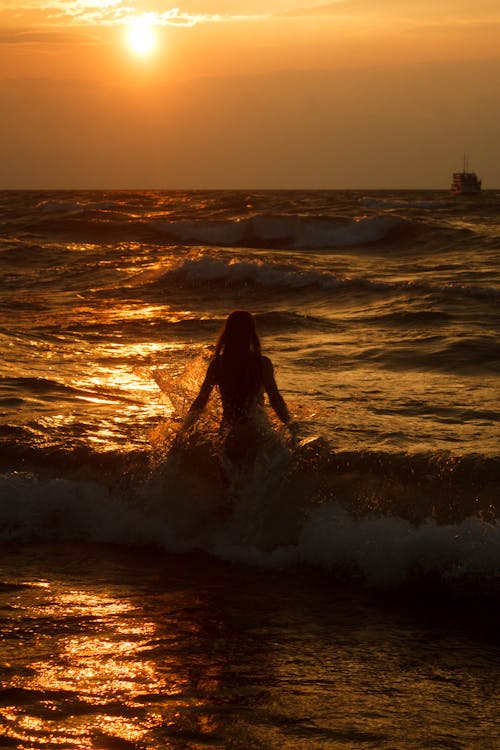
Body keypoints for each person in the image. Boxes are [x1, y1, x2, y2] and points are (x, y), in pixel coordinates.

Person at [180, 310, 297, 462]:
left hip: (229, 433)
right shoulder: (262, 364)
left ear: (227, 334)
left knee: (230, 480)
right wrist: (291, 424)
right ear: (251, 334)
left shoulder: (218, 365)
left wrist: (183, 431)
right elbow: (275, 399)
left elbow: (200, 402)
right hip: (256, 431)